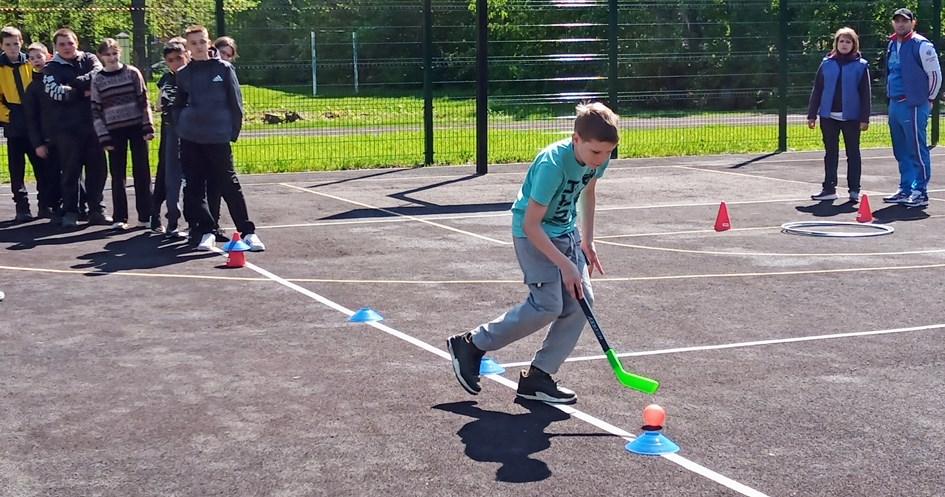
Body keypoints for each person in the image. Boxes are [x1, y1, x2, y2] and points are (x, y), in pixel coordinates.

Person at [447, 102, 618, 405]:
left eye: (607, 153)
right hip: (533, 236)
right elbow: (531, 224)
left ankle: (539, 376)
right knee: (547, 306)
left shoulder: (597, 158)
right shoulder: (552, 165)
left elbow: (588, 192)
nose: (601, 161)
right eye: (596, 153)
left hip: (566, 233)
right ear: (576, 139)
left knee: (581, 302)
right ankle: (471, 345)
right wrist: (566, 264)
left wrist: (587, 241)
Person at [175, 25, 264, 252]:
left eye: (202, 42)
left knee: (228, 183)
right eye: (193, 43)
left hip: (218, 138)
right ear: (188, 47)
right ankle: (207, 230)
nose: (198, 47)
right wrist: (183, 127)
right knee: (195, 186)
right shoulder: (183, 74)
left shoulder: (224, 69)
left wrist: (231, 132)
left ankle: (248, 232)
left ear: (209, 42)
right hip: (191, 139)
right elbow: (178, 105)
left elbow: (236, 104)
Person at [43, 28, 110, 227]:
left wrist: (72, 84)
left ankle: (96, 210)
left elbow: (99, 75)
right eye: (62, 44)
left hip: (94, 125)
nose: (67, 47)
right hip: (67, 130)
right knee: (71, 172)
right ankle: (71, 211)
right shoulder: (50, 68)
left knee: (97, 170)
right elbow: (55, 93)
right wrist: (83, 92)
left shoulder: (89, 59)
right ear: (55, 47)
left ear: (77, 42)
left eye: (70, 43)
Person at [90, 38, 155, 230]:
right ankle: (120, 217)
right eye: (107, 54)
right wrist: (103, 137)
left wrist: (148, 126)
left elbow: (144, 100)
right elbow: (96, 109)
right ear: (100, 56)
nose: (111, 57)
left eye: (114, 53)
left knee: (142, 172)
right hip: (114, 130)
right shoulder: (98, 79)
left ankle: (146, 216)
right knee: (117, 175)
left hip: (136, 128)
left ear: (120, 53)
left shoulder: (132, 72)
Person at [883, 8, 942, 208]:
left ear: (912, 23)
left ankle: (920, 191)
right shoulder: (891, 44)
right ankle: (905, 187)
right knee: (900, 149)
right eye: (897, 20)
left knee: (917, 148)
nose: (900, 24)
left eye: (905, 21)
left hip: (914, 104)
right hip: (895, 103)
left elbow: (935, 75)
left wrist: (929, 98)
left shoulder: (922, 46)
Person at [806, 27, 871, 204]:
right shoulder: (826, 63)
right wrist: (812, 114)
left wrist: (865, 118)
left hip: (852, 118)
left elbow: (865, 94)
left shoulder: (861, 66)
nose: (844, 44)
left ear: (854, 44)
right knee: (830, 153)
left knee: (853, 153)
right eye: (841, 41)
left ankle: (854, 190)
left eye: (848, 41)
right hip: (828, 117)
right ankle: (829, 189)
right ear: (836, 43)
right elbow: (817, 89)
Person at [0, 26, 45, 222]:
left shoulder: (31, 62)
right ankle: (22, 206)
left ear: (22, 43)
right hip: (14, 119)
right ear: (1, 45)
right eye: (8, 44)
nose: (12, 48)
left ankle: (46, 204)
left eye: (16, 44)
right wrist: (8, 115)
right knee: (16, 168)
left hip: (34, 119)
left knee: (41, 165)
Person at [152, 38, 188, 237]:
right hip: (173, 131)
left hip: (194, 131)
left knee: (194, 177)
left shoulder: (193, 76)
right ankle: (171, 220)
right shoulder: (167, 80)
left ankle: (196, 220)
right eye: (171, 60)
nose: (177, 63)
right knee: (171, 176)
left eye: (180, 58)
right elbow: (159, 104)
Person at [23, 41, 61, 222]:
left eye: (39, 56)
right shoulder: (32, 89)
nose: (36, 60)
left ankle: (78, 206)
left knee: (73, 173)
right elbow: (31, 119)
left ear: (49, 56)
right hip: (48, 139)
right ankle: (52, 207)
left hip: (67, 135)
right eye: (32, 58)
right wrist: (38, 143)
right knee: (51, 174)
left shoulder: (59, 78)